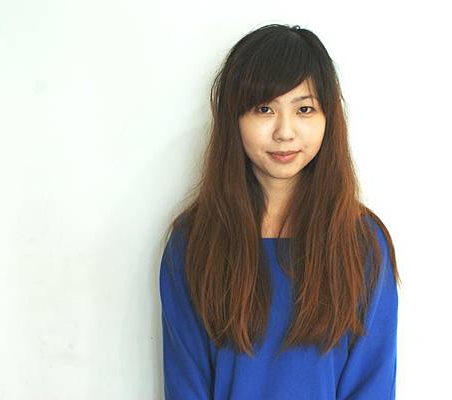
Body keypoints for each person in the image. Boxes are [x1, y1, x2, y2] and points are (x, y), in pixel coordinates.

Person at [159, 23, 401, 399]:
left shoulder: (362, 241)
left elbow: (372, 385)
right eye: (264, 108)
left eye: (304, 109)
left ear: (328, 118)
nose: (285, 132)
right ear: (234, 119)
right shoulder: (193, 241)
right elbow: (186, 384)